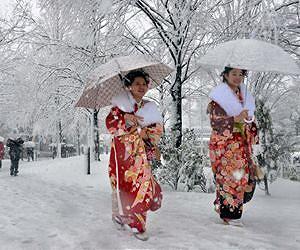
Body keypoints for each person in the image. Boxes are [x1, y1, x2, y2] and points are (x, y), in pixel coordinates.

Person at [106, 69, 163, 241]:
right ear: (128, 86)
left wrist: (147, 134)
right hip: (123, 154)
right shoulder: (120, 107)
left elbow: (156, 130)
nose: (141, 87)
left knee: (142, 186)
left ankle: (138, 224)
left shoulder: (149, 107)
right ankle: (121, 215)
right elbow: (111, 126)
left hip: (141, 155)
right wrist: (125, 120)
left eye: (144, 83)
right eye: (137, 83)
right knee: (122, 186)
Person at [207, 67, 259, 226]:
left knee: (241, 178)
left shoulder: (246, 98)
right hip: (225, 146)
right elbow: (215, 122)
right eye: (234, 73)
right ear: (225, 75)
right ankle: (229, 215)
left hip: (240, 145)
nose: (237, 77)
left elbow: (251, 125)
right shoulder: (219, 98)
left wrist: (249, 122)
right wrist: (235, 119)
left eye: (241, 74)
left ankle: (229, 212)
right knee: (229, 178)